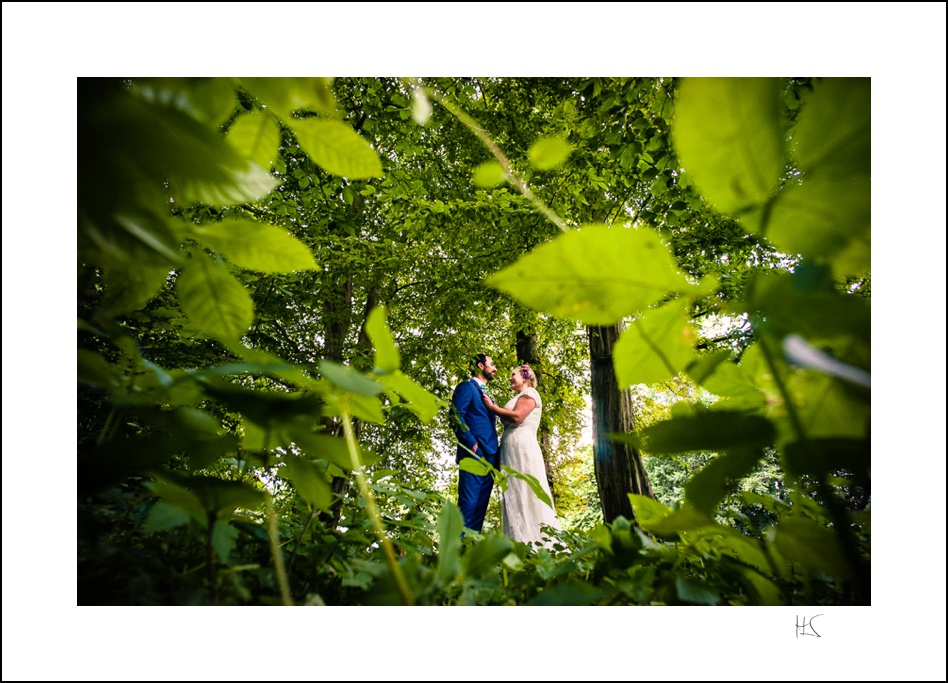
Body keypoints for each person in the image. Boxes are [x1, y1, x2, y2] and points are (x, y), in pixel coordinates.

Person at [481, 364, 562, 549]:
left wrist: (492, 407)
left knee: (527, 491)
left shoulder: (531, 394)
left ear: (525, 378)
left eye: (513, 375)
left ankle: (536, 544)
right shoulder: (517, 397)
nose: (510, 378)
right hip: (510, 450)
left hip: (522, 448)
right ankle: (516, 542)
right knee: (513, 493)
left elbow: (517, 417)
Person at [450, 353, 499, 533]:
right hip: (474, 453)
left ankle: (470, 548)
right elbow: (455, 417)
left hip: (491, 455)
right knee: (468, 503)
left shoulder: (487, 395)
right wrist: (471, 443)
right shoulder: (466, 388)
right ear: (480, 365)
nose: (495, 368)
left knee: (480, 506)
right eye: (492, 364)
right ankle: (457, 547)